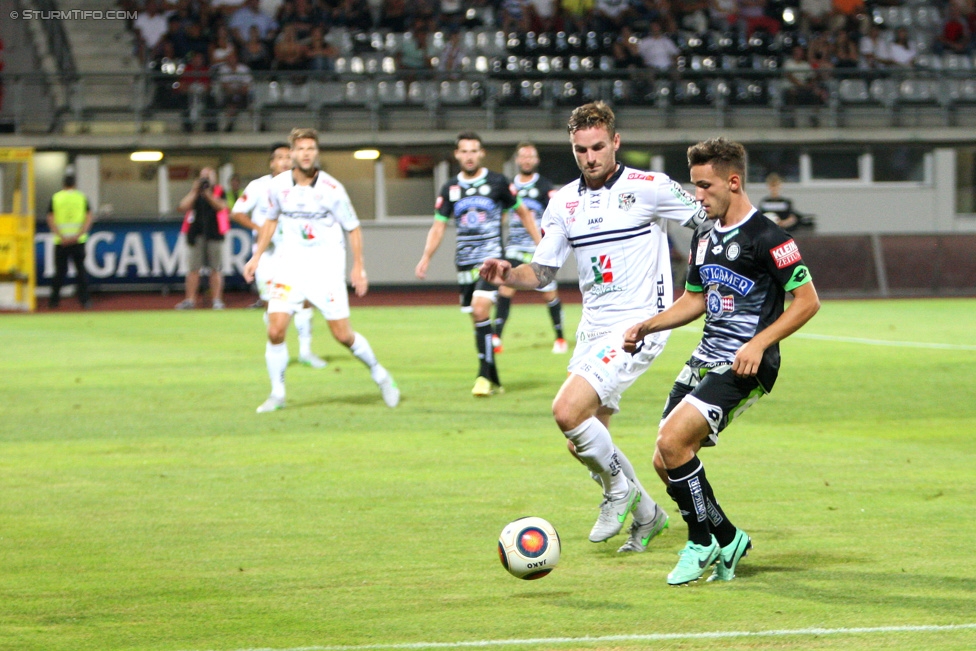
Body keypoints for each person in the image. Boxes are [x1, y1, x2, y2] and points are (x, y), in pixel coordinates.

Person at [479, 101, 707, 551]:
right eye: (581, 149)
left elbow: (710, 221)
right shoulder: (563, 202)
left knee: (566, 412)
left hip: (639, 327)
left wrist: (701, 279)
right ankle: (648, 516)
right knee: (582, 439)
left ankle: (617, 493)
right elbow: (543, 272)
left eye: (598, 146)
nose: (590, 157)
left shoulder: (650, 187)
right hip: (593, 330)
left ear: (615, 142)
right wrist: (507, 273)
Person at [622, 137, 820, 585]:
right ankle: (726, 538)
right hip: (705, 356)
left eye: (705, 186)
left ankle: (700, 543)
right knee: (664, 457)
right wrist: (648, 325)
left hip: (746, 364)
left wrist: (758, 344)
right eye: (694, 186)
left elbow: (807, 302)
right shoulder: (704, 234)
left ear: (733, 182)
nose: (698, 196)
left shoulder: (770, 237)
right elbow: (695, 300)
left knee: (674, 443)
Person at [243, 128, 400, 412]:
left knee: (342, 335)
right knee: (275, 330)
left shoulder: (332, 189)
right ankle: (277, 394)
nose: (306, 153)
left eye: (311, 149)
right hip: (288, 268)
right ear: (291, 153)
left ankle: (381, 375)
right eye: (301, 148)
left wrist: (359, 268)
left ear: (316, 152)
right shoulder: (278, 186)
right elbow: (269, 220)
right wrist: (255, 257)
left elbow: (353, 227)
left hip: (324, 271)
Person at [414, 132, 541, 397]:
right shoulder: (450, 188)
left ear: (481, 153)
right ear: (457, 155)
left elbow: (523, 212)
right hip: (464, 262)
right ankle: (493, 376)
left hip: (491, 260)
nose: (469, 156)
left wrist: (541, 243)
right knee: (477, 320)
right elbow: (438, 227)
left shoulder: (497, 182)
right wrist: (426, 257)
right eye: (464, 151)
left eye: (474, 151)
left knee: (480, 309)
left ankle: (482, 377)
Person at [231, 142, 328, 368]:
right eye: (280, 157)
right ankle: (278, 349)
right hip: (268, 256)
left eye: (288, 156)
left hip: (297, 253)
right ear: (272, 163)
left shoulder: (304, 186)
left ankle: (305, 351)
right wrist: (260, 230)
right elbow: (237, 212)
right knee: (270, 303)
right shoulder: (258, 186)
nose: (284, 161)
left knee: (305, 300)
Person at [493, 142, 567, 355]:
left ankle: (560, 337)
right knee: (505, 287)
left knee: (549, 293)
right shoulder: (508, 186)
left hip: (538, 247)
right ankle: (496, 337)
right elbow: (502, 213)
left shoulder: (544, 186)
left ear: (537, 160)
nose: (526, 160)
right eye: (523, 156)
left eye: (530, 156)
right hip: (514, 246)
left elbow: (555, 214)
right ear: (517, 160)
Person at [175, 167, 229, 309]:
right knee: (193, 269)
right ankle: (190, 300)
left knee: (215, 268)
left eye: (208, 176)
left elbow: (222, 206)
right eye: (203, 177)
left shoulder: (219, 191)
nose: (205, 180)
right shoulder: (195, 193)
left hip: (214, 234)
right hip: (196, 234)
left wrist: (208, 194)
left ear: (214, 178)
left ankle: (217, 300)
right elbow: (182, 207)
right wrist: (195, 191)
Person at [47, 174, 93, 310]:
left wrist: (61, 236)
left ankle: (54, 302)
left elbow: (50, 217)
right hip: (78, 241)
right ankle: (85, 301)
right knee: (81, 272)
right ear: (75, 184)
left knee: (59, 272)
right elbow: (89, 217)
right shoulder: (81, 197)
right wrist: (79, 234)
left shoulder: (56, 198)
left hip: (61, 242)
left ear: (63, 184)